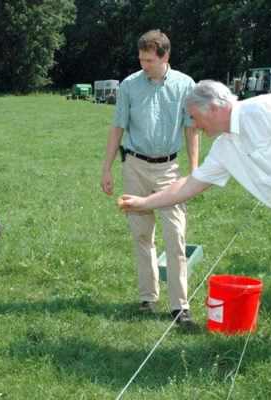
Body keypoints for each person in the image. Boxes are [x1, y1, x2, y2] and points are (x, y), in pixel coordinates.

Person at [118, 79, 271, 344]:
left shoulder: (267, 109)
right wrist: (144, 203)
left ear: (212, 108)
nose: (194, 125)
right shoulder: (224, 148)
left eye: (194, 117)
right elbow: (189, 184)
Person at [101, 29, 199, 324]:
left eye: (149, 60)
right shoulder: (130, 86)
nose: (143, 65)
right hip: (135, 167)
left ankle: (180, 306)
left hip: (170, 170)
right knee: (142, 234)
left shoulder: (185, 85)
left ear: (165, 57)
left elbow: (191, 128)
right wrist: (106, 169)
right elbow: (117, 128)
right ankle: (147, 298)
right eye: (141, 59)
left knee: (176, 235)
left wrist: (195, 171)